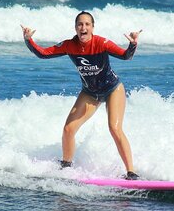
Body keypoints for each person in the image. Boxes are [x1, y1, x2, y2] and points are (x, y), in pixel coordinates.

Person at [21, 11, 141, 180]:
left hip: (113, 89)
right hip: (90, 93)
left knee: (114, 128)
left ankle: (131, 172)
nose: (83, 27)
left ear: (92, 27)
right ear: (75, 27)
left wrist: (133, 44)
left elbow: (125, 56)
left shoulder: (101, 43)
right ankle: (66, 166)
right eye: (80, 24)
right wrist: (28, 40)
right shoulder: (70, 45)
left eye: (87, 24)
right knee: (68, 129)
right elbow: (43, 53)